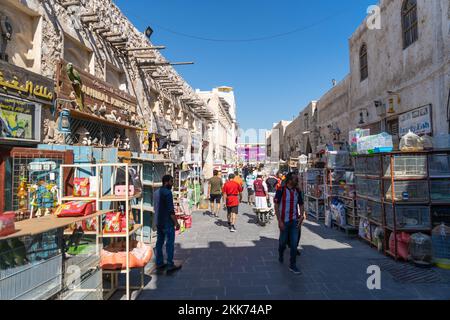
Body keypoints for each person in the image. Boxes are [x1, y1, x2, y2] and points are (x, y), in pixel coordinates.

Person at [274, 173, 304, 275]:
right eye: (295, 179)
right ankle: (281, 252)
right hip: (284, 221)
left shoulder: (298, 191)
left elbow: (301, 204)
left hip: (295, 221)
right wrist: (279, 221)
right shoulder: (281, 190)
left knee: (294, 244)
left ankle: (293, 265)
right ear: (289, 180)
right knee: (282, 242)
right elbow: (276, 205)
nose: (297, 181)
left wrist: (301, 216)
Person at [154, 175, 182, 273]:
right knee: (169, 243)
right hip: (167, 222)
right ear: (166, 182)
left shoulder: (156, 192)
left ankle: (159, 262)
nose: (172, 183)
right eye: (171, 181)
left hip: (158, 221)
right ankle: (170, 264)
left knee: (159, 242)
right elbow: (171, 210)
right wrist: (176, 223)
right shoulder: (168, 193)